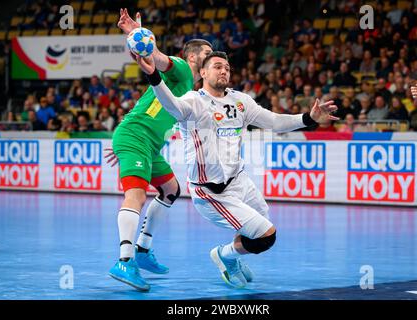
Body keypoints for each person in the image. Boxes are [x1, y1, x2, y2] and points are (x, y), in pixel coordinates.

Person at [134, 51, 338, 288]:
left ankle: (231, 259)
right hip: (211, 193)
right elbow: (171, 103)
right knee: (266, 236)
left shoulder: (240, 100)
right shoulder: (192, 101)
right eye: (217, 66)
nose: (224, 71)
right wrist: (153, 75)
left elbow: (273, 121)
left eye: (227, 68)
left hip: (240, 181)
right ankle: (224, 255)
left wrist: (308, 118)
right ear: (202, 73)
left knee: (258, 227)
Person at [106, 8, 213, 291]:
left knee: (171, 189)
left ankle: (143, 250)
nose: (212, 57)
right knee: (136, 195)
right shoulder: (181, 68)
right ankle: (125, 260)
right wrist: (133, 33)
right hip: (136, 136)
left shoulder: (193, 90)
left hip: (145, 143)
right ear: (192, 57)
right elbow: (158, 59)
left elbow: (148, 61)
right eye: (207, 53)